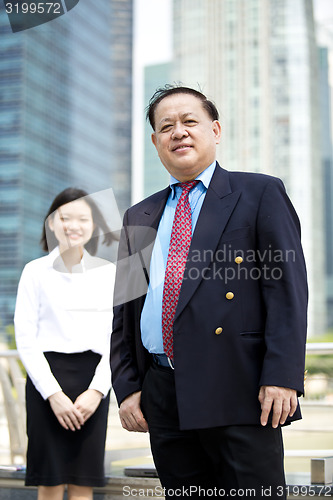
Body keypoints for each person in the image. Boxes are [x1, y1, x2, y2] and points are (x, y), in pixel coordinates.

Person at [110, 85, 308, 499]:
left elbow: (287, 292)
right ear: (155, 142)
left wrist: (282, 376)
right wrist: (128, 387)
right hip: (163, 393)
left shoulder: (259, 193)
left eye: (189, 121)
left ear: (215, 130)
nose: (178, 132)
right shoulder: (138, 216)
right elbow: (125, 311)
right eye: (166, 127)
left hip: (241, 386)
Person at [14, 188, 116, 500]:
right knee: (50, 481)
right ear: (51, 223)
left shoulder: (109, 273)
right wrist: (53, 394)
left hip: (93, 380)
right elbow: (25, 337)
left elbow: (118, 338)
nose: (73, 225)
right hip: (47, 381)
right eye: (64, 218)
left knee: (84, 482)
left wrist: (97, 392)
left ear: (94, 225)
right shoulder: (35, 271)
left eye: (82, 219)